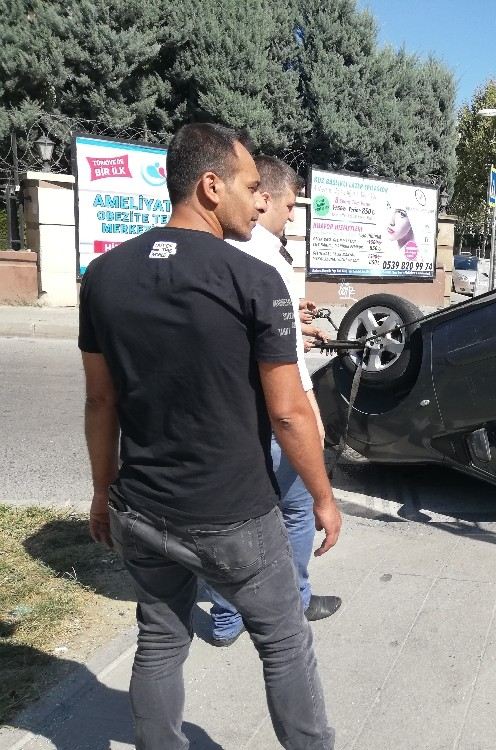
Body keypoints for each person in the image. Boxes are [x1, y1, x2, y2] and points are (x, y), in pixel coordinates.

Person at [80, 123, 339, 749]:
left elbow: (100, 399)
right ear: (210, 184)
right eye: (252, 187)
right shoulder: (252, 278)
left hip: (140, 508)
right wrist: (324, 498)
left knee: (162, 641)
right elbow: (289, 413)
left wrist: (101, 493)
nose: (258, 200)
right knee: (283, 643)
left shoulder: (105, 276)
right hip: (234, 518)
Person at [207, 155, 340, 646]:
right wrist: (312, 411)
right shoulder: (267, 261)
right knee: (299, 506)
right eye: (287, 204)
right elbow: (284, 366)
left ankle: (225, 619)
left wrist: (296, 324)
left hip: (233, 412)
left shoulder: (228, 252)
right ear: (263, 197)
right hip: (274, 409)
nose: (289, 214)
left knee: (235, 515)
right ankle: (296, 600)